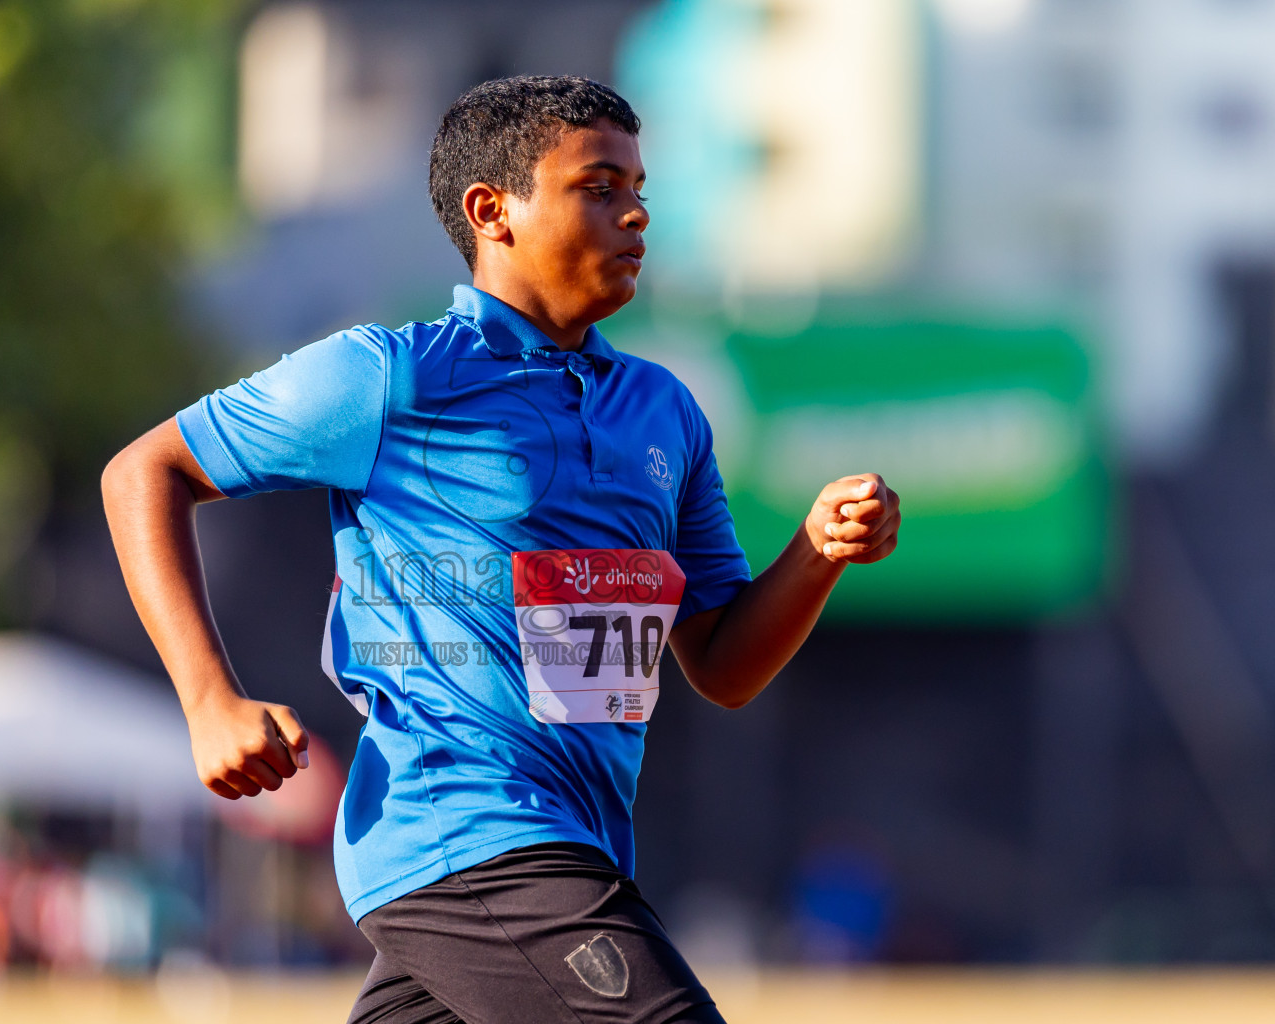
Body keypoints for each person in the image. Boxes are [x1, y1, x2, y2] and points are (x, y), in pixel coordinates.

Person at [102, 75, 899, 1024]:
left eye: (640, 186)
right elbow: (141, 474)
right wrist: (207, 700)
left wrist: (816, 551)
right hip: (466, 831)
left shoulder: (666, 412)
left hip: (572, 844)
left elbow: (723, 663)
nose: (637, 212)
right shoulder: (393, 376)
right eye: (599, 187)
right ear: (495, 212)